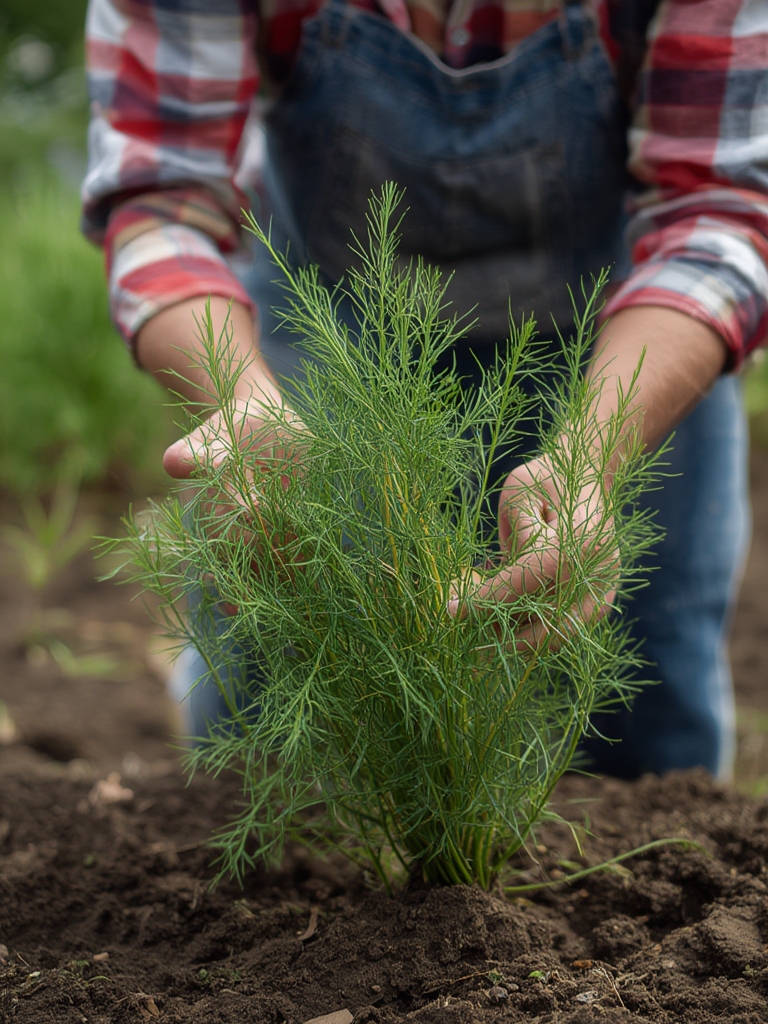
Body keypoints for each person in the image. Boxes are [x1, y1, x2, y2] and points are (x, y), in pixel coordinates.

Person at [82, 0, 768, 780]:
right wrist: (241, 400)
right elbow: (160, 194)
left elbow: (717, 212)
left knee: (636, 721)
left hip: (627, 333)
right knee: (274, 683)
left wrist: (593, 456)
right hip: (329, 333)